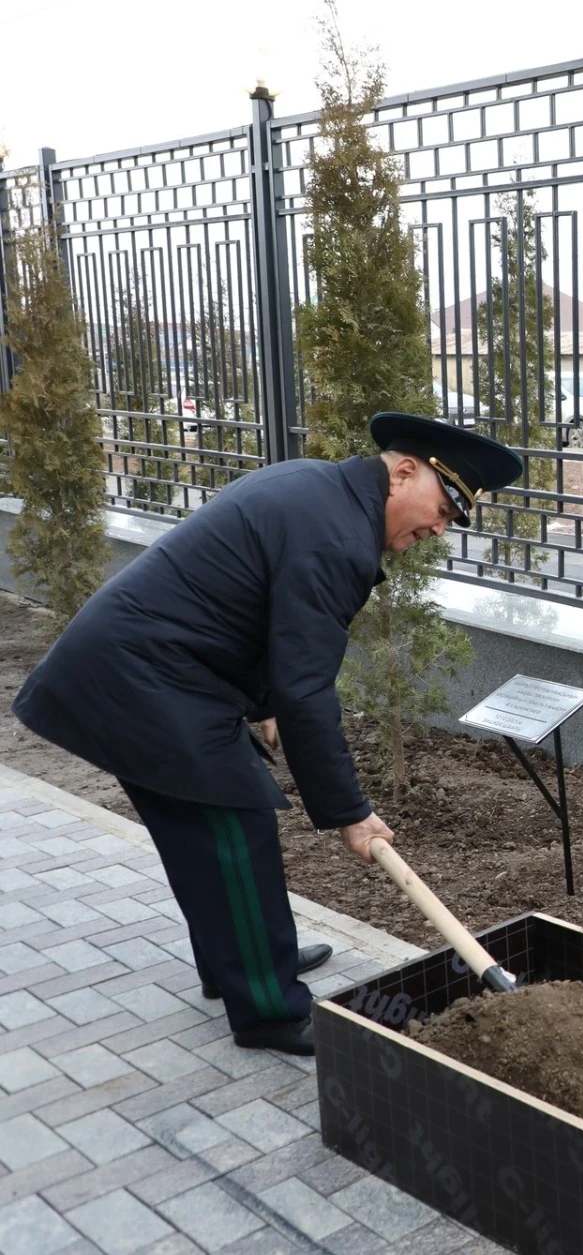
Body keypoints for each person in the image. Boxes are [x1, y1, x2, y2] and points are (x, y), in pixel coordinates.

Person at [13, 414, 522, 1056]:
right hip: (146, 678)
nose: (440, 529)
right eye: (443, 509)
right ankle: (268, 1009)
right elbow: (308, 689)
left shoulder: (321, 491)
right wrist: (350, 812)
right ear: (403, 472)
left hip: (146, 669)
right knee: (234, 830)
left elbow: (256, 609)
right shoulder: (337, 537)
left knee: (205, 839)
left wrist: (270, 702)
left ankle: (241, 959)